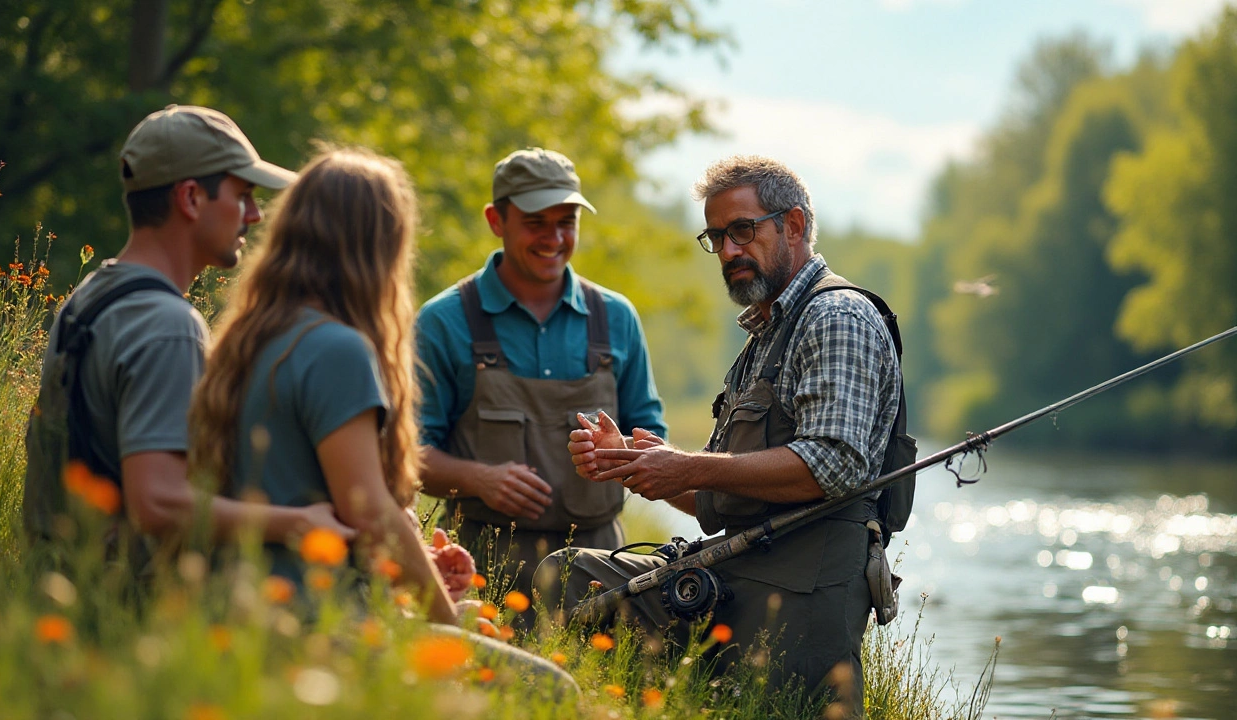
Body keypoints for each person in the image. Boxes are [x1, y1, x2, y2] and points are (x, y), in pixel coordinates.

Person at [186, 148, 577, 693]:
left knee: (488, 634)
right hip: (314, 621)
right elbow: (368, 511)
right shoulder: (337, 349)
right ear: (380, 244)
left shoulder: (249, 338)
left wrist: (419, 569)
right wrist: (444, 623)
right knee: (553, 691)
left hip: (238, 605)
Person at [540, 155, 902, 712]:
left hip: (803, 593)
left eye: (742, 230)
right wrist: (635, 466)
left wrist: (687, 466)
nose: (729, 250)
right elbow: (719, 497)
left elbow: (833, 465)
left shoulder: (837, 318)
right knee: (568, 577)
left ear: (796, 226)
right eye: (716, 237)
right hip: (734, 571)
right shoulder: (768, 333)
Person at [23, 105, 353, 567]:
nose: (255, 215)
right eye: (243, 195)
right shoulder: (168, 326)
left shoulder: (90, 297)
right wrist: (299, 523)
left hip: (63, 587)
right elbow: (157, 503)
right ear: (191, 198)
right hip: (125, 616)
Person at [415, 148, 667, 596]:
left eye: (566, 222)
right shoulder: (443, 321)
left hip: (603, 578)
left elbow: (654, 445)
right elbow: (406, 455)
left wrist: (621, 451)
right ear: (496, 220)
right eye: (536, 222)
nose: (553, 238)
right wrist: (478, 479)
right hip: (477, 578)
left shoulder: (616, 318)